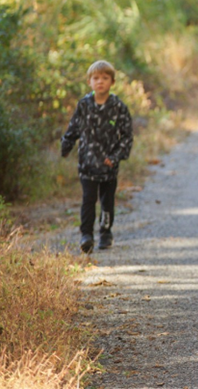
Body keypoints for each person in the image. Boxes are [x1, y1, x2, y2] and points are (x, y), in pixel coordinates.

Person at [61, 60, 134, 254]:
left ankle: (105, 232)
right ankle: (86, 235)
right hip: (87, 163)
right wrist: (66, 144)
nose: (100, 82)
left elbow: (127, 136)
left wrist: (116, 156)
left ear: (112, 81)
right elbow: (74, 128)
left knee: (107, 200)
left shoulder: (118, 106)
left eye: (104, 78)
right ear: (89, 82)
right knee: (88, 199)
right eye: (96, 78)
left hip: (108, 165)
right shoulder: (84, 105)